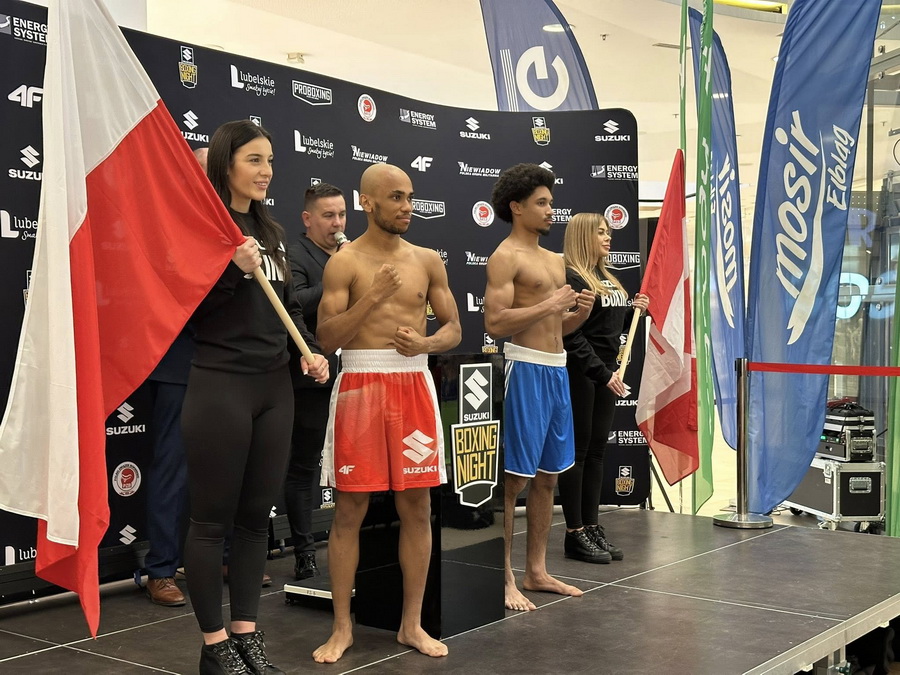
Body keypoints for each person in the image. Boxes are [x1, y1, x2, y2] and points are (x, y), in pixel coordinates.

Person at [182, 120, 329, 675]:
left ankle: (245, 633)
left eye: (269, 160)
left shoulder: (270, 230)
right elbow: (187, 311)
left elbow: (285, 306)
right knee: (210, 522)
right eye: (254, 160)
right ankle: (214, 644)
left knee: (253, 520)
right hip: (221, 384)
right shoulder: (205, 226)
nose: (266, 170)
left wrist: (307, 350)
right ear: (226, 164)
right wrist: (229, 272)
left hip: (275, 387)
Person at [312, 163, 460, 664]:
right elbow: (326, 338)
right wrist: (372, 296)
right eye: (396, 197)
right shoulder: (345, 263)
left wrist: (426, 343)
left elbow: (454, 328)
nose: (407, 206)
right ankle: (342, 628)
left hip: (412, 383)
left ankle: (411, 625)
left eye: (410, 196)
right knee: (349, 510)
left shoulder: (427, 260)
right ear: (367, 202)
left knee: (416, 507)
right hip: (360, 384)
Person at [483, 163, 594, 612]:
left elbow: (554, 326)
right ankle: (504, 576)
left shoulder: (554, 260)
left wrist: (577, 315)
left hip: (556, 369)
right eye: (542, 203)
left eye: (551, 202)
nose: (551, 211)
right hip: (525, 369)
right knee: (514, 480)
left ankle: (536, 571)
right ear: (517, 207)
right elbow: (496, 323)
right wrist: (551, 304)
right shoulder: (505, 256)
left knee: (549, 475)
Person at [557, 213, 649, 564]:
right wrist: (601, 372)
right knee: (578, 453)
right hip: (582, 372)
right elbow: (571, 335)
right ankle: (575, 532)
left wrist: (634, 312)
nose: (608, 238)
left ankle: (592, 526)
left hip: (606, 373)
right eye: (600, 232)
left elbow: (608, 325)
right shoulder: (571, 278)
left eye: (608, 232)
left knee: (597, 451)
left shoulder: (607, 278)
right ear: (583, 236)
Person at [284, 183, 347, 580]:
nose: (337, 223)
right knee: (303, 465)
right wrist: (338, 275)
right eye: (328, 216)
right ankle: (304, 551)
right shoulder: (296, 254)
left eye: (341, 214)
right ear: (308, 219)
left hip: (353, 372)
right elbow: (296, 303)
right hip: (310, 376)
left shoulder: (353, 253)